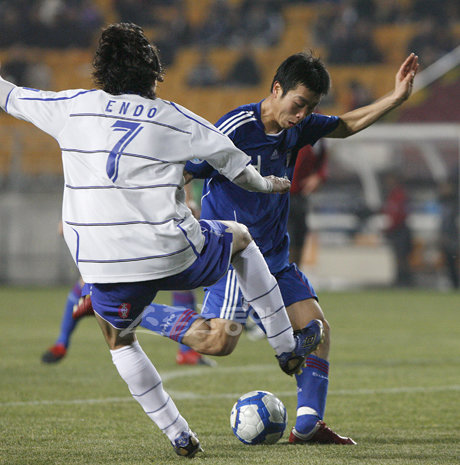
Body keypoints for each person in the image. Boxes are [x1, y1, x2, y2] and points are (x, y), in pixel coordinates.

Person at [0, 24, 323, 458]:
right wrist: (267, 185)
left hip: (100, 263)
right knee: (242, 239)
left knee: (119, 338)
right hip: (170, 251)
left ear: (102, 73)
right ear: (155, 75)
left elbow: (8, 96)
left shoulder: (73, 106)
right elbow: (236, 165)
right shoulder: (174, 116)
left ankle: (179, 435)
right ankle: (286, 349)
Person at [135, 51, 419, 445]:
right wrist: (167, 212)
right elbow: (186, 169)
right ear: (276, 89)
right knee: (219, 341)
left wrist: (396, 97)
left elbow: (345, 125)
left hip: (275, 258)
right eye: (298, 103)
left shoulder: (295, 129)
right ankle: (130, 310)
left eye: (310, 108)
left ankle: (308, 426)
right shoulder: (236, 127)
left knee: (317, 331)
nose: (302, 115)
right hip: (235, 257)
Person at [288, 141, 328, 266]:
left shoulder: (317, 139)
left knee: (298, 236)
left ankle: (292, 272)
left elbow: (322, 162)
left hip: (298, 195)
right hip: (274, 194)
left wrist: (318, 177)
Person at [382, 172, 413, 287]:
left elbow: (400, 214)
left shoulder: (399, 195)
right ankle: (401, 279)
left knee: (401, 257)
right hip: (396, 230)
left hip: (400, 230)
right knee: (398, 257)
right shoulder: (392, 195)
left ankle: (405, 280)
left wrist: (390, 227)